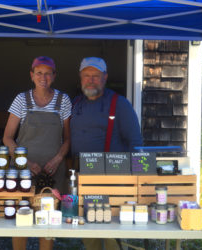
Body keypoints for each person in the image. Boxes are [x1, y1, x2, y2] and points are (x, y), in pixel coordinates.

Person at [70, 57, 143, 250]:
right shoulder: (76, 103)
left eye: (95, 76)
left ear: (105, 77)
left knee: (112, 230)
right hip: (82, 178)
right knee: (88, 227)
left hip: (112, 179)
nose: (90, 80)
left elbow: (135, 142)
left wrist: (134, 181)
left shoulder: (119, 104)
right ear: (80, 77)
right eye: (86, 75)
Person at [3, 56, 71, 250]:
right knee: (21, 220)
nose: (43, 77)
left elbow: (67, 140)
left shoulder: (63, 100)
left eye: (48, 73)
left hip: (52, 172)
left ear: (54, 76)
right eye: (39, 73)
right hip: (24, 171)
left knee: (48, 222)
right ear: (32, 75)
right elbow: (7, 138)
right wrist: (24, 162)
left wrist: (58, 159)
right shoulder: (21, 100)